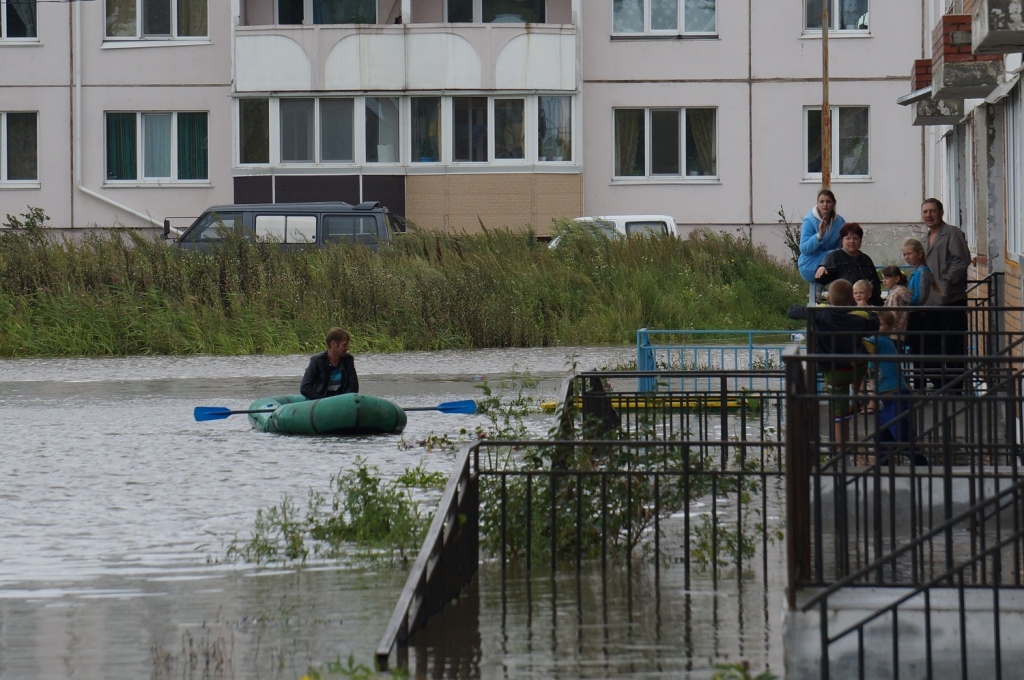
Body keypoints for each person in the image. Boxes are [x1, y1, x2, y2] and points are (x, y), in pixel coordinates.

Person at [788, 279, 880, 444]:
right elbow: (874, 325)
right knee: (864, 356)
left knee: (839, 414)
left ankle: (840, 452)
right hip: (856, 368)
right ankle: (857, 394)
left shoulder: (821, 314)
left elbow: (792, 312)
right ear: (852, 299)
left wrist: (813, 306)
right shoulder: (858, 319)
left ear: (829, 298)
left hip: (833, 371)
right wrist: (868, 310)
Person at [922, 198, 972, 391]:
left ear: (941, 213)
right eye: (925, 212)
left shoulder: (952, 233)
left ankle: (955, 387)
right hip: (930, 302)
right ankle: (939, 384)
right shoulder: (925, 237)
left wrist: (945, 282)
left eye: (932, 211)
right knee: (931, 345)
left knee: (953, 345)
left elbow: (961, 260)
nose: (928, 215)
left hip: (951, 300)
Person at [867, 311, 925, 466]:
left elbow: (862, 344)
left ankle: (921, 465)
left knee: (902, 435)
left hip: (897, 395)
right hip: (885, 400)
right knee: (881, 437)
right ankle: (883, 471)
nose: (876, 327)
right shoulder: (874, 345)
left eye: (880, 324)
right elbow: (872, 376)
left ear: (890, 327)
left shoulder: (882, 342)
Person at [901, 238, 941, 390]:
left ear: (920, 254)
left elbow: (919, 296)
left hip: (919, 315)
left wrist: (905, 305)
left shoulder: (921, 272)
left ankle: (923, 386)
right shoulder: (918, 271)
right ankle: (920, 386)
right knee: (918, 352)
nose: (906, 257)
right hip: (918, 314)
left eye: (909, 254)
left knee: (919, 353)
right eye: (904, 254)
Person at [814, 222, 883, 306]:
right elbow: (822, 279)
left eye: (855, 238)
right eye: (848, 238)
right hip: (844, 309)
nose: (852, 241)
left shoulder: (866, 259)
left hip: (869, 307)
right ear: (842, 240)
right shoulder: (833, 256)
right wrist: (821, 268)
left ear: (860, 241)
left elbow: (875, 283)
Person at [798, 189, 845, 303]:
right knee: (835, 256)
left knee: (843, 258)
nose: (825, 205)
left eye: (828, 201)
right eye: (821, 201)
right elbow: (804, 249)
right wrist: (819, 235)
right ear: (817, 203)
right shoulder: (809, 221)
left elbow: (843, 246)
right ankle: (830, 296)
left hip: (830, 264)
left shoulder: (839, 222)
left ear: (834, 203)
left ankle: (837, 298)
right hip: (809, 263)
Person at [300, 327, 359, 400]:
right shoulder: (317, 361)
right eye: (344, 345)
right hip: (319, 401)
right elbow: (305, 388)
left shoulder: (348, 360)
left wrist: (344, 400)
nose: (347, 348)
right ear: (333, 344)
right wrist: (323, 401)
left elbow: (353, 385)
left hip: (340, 401)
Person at [880, 265, 911, 343]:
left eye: (887, 278)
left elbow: (891, 314)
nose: (884, 281)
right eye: (883, 278)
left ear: (897, 279)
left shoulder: (894, 295)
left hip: (892, 332)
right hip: (901, 331)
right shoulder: (903, 292)